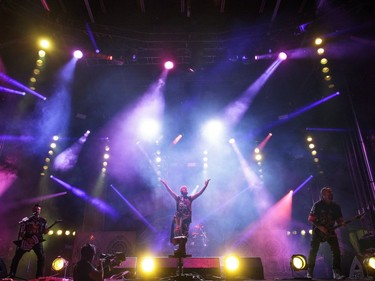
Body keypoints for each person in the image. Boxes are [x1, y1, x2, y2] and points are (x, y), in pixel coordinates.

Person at [160, 178, 210, 256]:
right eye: (184, 188)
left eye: (186, 188)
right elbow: (170, 192)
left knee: (184, 235)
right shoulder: (178, 198)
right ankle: (180, 248)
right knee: (177, 233)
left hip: (186, 220)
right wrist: (166, 184)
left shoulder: (190, 198)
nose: (186, 189)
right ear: (181, 191)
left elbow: (199, 193)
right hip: (179, 219)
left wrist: (205, 186)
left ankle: (182, 249)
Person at [306, 187, 346, 280]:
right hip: (318, 232)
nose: (331, 194)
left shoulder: (336, 206)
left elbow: (339, 219)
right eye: (329, 193)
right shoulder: (317, 205)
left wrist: (342, 223)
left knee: (336, 251)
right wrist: (321, 227)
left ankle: (336, 272)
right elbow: (311, 219)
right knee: (313, 251)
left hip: (330, 231)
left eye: (331, 192)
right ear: (323, 195)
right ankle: (309, 272)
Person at [9, 203, 48, 278]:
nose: (37, 211)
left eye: (38, 209)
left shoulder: (43, 221)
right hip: (27, 240)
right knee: (17, 256)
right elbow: (21, 232)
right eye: (35, 209)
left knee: (41, 257)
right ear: (32, 210)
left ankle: (39, 276)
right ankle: (12, 274)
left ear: (40, 211)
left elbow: (45, 232)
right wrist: (26, 239)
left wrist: (46, 231)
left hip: (37, 241)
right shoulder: (26, 220)